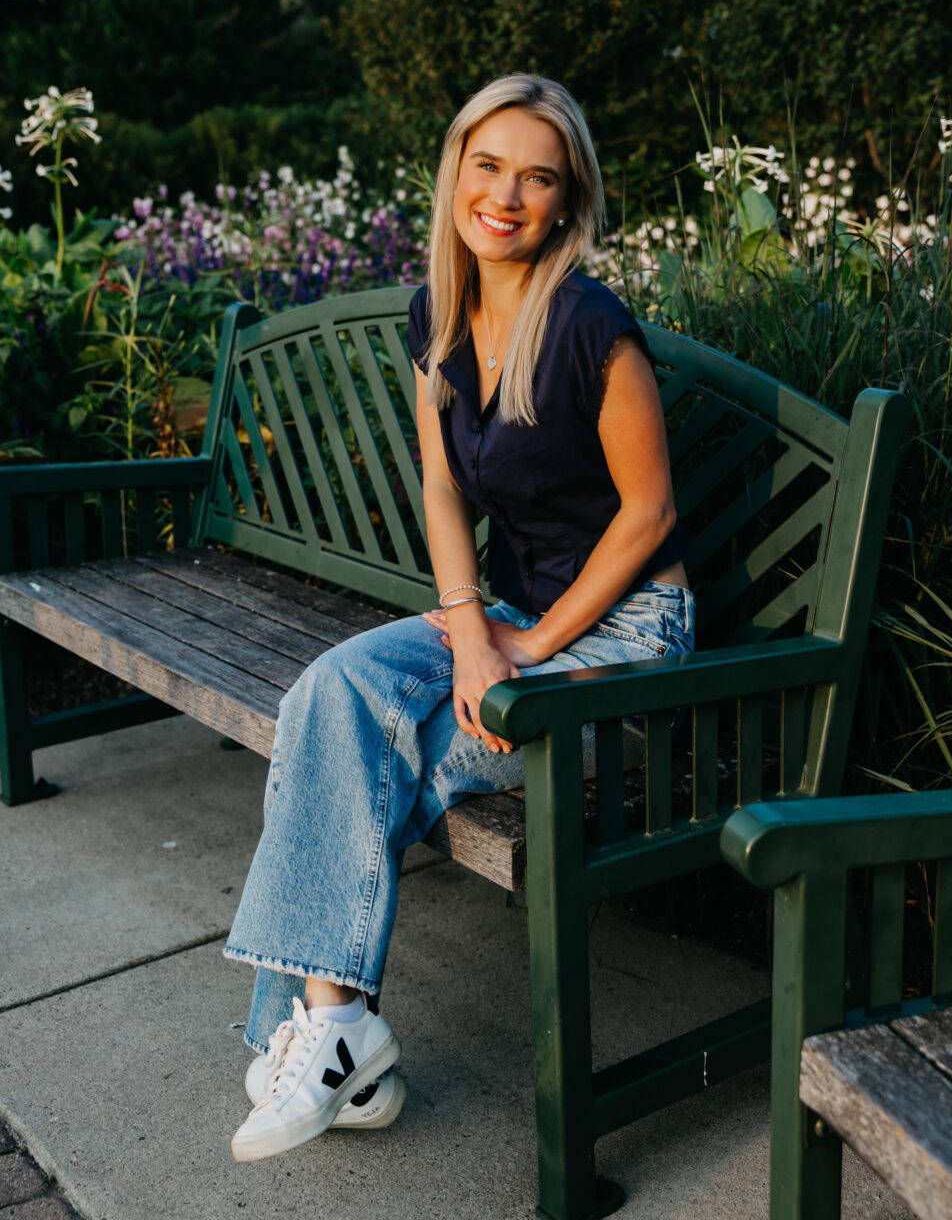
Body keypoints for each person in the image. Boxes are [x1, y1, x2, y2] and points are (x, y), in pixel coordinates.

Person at [224, 73, 693, 1163]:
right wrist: (476, 628)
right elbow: (441, 489)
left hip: (625, 634)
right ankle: (340, 1037)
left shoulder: (588, 325)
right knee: (325, 695)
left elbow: (648, 514)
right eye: (487, 166)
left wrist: (522, 647)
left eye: (538, 176)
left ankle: (307, 1039)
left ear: (569, 199)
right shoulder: (437, 308)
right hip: (516, 612)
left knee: (379, 757)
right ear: (453, 174)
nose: (506, 195)